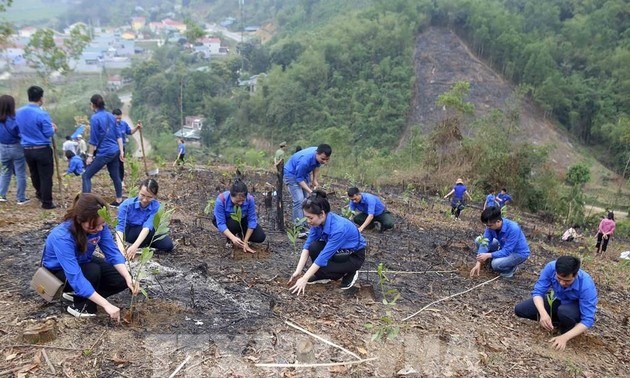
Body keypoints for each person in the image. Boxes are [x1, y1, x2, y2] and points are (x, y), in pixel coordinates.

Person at [41, 193, 136, 319]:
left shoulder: (99, 226)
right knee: (92, 271)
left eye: (102, 224)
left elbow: (112, 253)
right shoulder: (62, 237)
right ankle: (81, 306)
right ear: (80, 220)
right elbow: (75, 276)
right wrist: (106, 305)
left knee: (120, 278)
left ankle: (80, 295)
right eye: (94, 226)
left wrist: (128, 277)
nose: (100, 228)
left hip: (83, 260)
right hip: (59, 272)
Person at [288, 191, 366, 294]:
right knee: (313, 247)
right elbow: (307, 247)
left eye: (310, 218)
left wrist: (305, 278)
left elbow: (323, 256)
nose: (308, 221)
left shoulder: (338, 228)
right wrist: (298, 271)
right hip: (338, 252)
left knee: (324, 267)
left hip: (353, 256)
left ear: (322, 214)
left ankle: (350, 271)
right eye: (306, 217)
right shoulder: (318, 224)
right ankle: (325, 274)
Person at [514, 256, 598, 351]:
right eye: (559, 278)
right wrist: (543, 314)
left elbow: (588, 319)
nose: (562, 283)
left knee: (565, 312)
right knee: (520, 310)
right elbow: (538, 292)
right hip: (557, 300)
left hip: (573, 309)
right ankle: (555, 321)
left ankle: (566, 329)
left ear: (576, 275)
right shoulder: (551, 267)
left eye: (567, 281)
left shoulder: (586, 286)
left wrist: (564, 338)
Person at [16, 85, 57, 209]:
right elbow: (47, 133)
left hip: (27, 149)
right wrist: (53, 128)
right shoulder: (42, 114)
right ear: (41, 98)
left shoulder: (19, 112)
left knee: (34, 174)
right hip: (42, 149)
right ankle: (47, 202)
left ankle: (39, 194)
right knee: (46, 176)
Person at [82, 94, 124, 207]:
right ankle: (119, 200)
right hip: (115, 150)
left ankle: (85, 203)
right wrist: (121, 151)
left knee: (86, 176)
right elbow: (118, 134)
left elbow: (93, 140)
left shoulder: (95, 118)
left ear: (93, 105)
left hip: (104, 153)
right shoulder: (111, 115)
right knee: (115, 175)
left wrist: (90, 156)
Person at [115, 179, 174, 259]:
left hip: (147, 230)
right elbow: (120, 227)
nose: (145, 200)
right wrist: (121, 248)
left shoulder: (156, 206)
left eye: (149, 197)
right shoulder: (127, 205)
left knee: (167, 245)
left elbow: (148, 226)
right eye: (142, 195)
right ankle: (142, 243)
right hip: (131, 232)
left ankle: (144, 244)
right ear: (138, 192)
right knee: (149, 231)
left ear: (155, 196)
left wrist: (135, 246)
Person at [283, 144, 332, 236]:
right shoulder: (304, 161)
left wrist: (314, 180)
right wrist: (311, 191)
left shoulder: (318, 155)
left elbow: (316, 166)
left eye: (327, 159)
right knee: (299, 200)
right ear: (317, 154)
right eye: (323, 159)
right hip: (291, 174)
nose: (325, 162)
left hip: (303, 174)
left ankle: (305, 224)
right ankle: (298, 228)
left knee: (306, 200)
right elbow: (298, 179)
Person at [470, 206, 530, 278]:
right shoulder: (490, 226)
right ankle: (489, 263)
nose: (488, 227)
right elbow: (485, 242)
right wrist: (478, 262)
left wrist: (488, 255)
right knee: (479, 240)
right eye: (486, 225)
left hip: (518, 253)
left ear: (498, 222)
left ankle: (510, 270)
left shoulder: (513, 228)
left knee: (495, 264)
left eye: (489, 225)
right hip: (503, 246)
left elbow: (507, 251)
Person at [213, 179, 266, 253]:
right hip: (228, 221)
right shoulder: (221, 200)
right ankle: (230, 239)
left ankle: (242, 236)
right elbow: (221, 223)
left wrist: (245, 241)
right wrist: (233, 238)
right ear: (231, 195)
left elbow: (251, 220)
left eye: (243, 200)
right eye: (237, 201)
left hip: (243, 219)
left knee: (260, 237)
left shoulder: (250, 199)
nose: (240, 203)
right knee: (234, 224)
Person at [0, 95, 29, 205]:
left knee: (5, 171)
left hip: (3, 148)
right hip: (16, 147)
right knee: (20, 173)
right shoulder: (15, 120)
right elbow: (21, 134)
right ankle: (20, 198)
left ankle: (2, 195)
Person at [112, 109, 140, 183]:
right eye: (116, 118)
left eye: (120, 118)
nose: (118, 120)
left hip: (121, 148)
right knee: (113, 164)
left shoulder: (123, 124)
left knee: (121, 164)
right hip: (112, 147)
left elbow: (130, 132)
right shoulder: (109, 125)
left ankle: (121, 180)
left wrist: (137, 128)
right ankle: (115, 180)